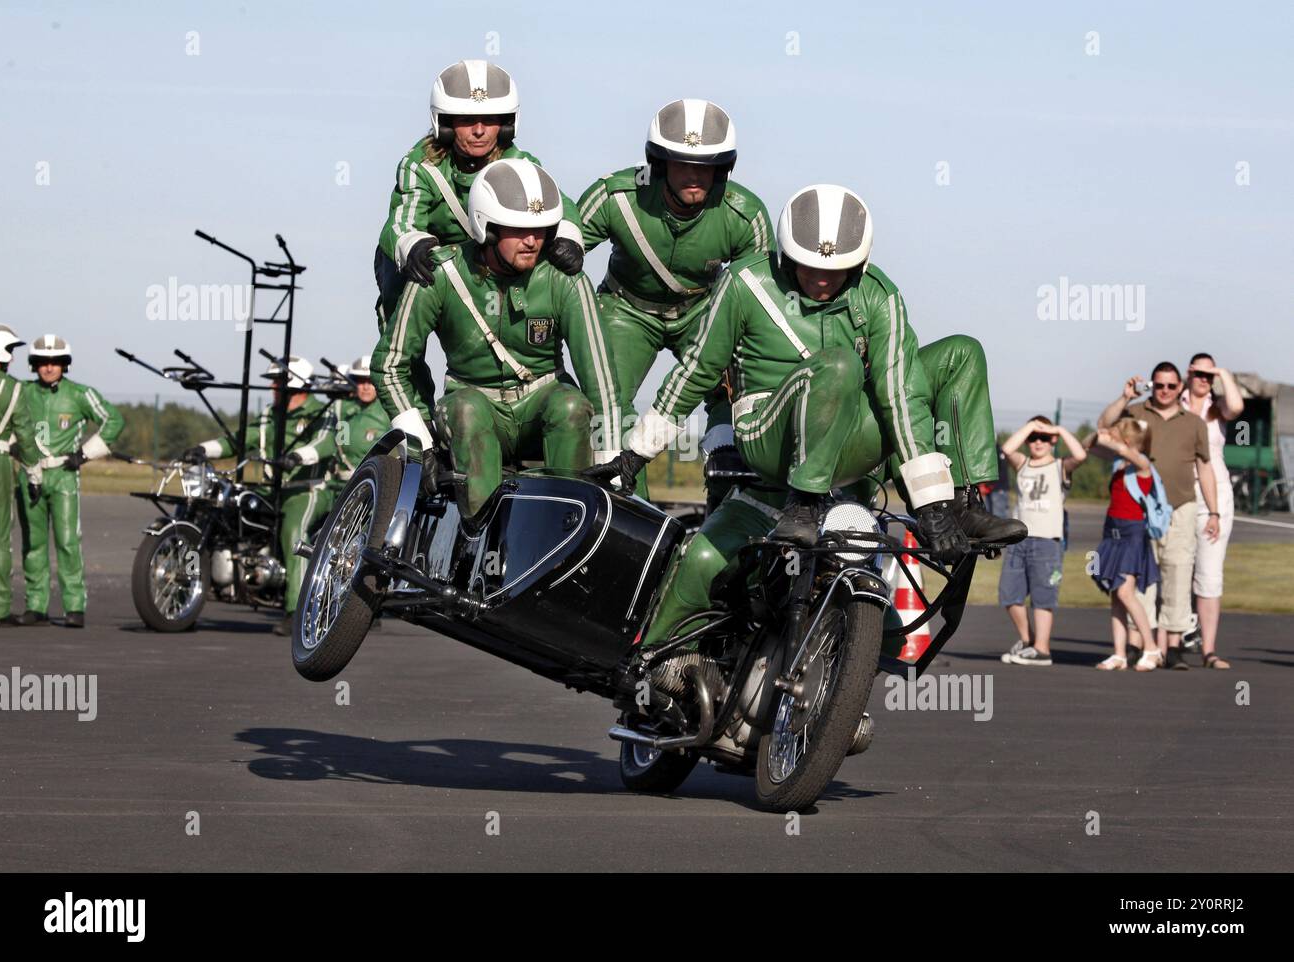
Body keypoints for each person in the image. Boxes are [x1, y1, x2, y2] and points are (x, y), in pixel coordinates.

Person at [587, 184, 1026, 692]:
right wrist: (634, 454)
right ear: (783, 253)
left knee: (961, 353)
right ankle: (659, 653)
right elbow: (696, 371)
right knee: (706, 556)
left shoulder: (880, 297)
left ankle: (963, 502)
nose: (821, 278)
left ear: (859, 264)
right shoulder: (745, 284)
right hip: (767, 435)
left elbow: (901, 396)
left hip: (845, 442)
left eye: (835, 269)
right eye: (807, 265)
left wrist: (931, 503)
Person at [372, 158, 619, 523]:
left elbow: (600, 379)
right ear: (486, 226)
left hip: (543, 404)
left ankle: (563, 532)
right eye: (519, 229)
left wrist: (611, 459)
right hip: (473, 405)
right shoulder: (441, 274)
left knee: (570, 406)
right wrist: (420, 444)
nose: (533, 241)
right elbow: (389, 365)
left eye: (541, 229)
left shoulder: (565, 279)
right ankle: (482, 537)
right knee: (466, 411)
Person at [577, 99, 773, 499]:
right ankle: (627, 513)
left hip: (704, 310)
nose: (694, 176)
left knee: (742, 388)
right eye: (682, 163)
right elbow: (558, 247)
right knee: (604, 402)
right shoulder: (616, 195)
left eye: (706, 166)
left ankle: (730, 490)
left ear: (722, 169)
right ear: (659, 162)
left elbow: (761, 301)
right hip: (626, 308)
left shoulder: (746, 215)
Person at [374, 60, 586, 416]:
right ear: (443, 123)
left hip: (489, 261)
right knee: (405, 307)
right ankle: (420, 420)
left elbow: (560, 205)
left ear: (505, 124)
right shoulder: (419, 165)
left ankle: (541, 392)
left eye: (489, 120)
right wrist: (413, 243)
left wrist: (568, 236)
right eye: (466, 120)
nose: (478, 130)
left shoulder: (521, 161)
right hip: (432, 265)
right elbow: (402, 220)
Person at [184, 356, 335, 636]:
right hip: (269, 489)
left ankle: (297, 611)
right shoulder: (269, 415)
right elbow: (240, 439)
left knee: (294, 533)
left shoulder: (321, 412)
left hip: (306, 490)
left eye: (278, 382)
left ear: (297, 385)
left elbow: (326, 443)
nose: (273, 388)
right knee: (223, 508)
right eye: (273, 382)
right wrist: (203, 449)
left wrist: (295, 457)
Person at [1097, 365, 1219, 669]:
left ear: (1181, 387)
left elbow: (1204, 468)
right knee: (1143, 578)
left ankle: (1174, 645)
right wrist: (1124, 398)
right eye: (1159, 385)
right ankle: (1141, 641)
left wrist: (1213, 511)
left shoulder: (1194, 423)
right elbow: (1104, 425)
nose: (1164, 391)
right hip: (1140, 511)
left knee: (1177, 571)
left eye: (1170, 385)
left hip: (1180, 505)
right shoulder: (1137, 411)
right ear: (1153, 386)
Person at [14, 334, 125, 628]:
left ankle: (74, 606)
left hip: (64, 477)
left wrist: (85, 454)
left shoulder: (80, 393)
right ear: (33, 365)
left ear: (65, 365)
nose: (49, 368)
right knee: (32, 544)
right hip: (29, 474)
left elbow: (114, 420)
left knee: (67, 542)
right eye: (42, 363)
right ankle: (35, 606)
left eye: (55, 362)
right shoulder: (21, 391)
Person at [997, 416, 1087, 666]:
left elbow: (1080, 455)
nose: (1038, 442)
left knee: (1043, 596)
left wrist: (1057, 429)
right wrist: (1030, 427)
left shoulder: (1060, 466)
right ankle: (1028, 641)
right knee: (1009, 594)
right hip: (1019, 539)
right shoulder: (1023, 464)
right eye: (1033, 438)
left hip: (1048, 541)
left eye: (1044, 438)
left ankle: (1042, 649)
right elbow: (1006, 449)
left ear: (1053, 440)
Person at [1086, 420, 1163, 670]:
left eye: (1117, 434)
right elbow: (1088, 446)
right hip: (1112, 532)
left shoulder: (1142, 465)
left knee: (1125, 592)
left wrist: (1112, 438)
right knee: (1115, 595)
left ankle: (1151, 648)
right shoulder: (1119, 464)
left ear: (1127, 441)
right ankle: (1119, 653)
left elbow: (1123, 450)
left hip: (1133, 534)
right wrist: (1101, 433)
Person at [1182, 353, 1242, 669]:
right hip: (1178, 493)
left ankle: (1209, 649)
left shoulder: (1216, 408)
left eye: (1209, 375)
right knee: (1176, 567)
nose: (1203, 380)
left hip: (1214, 498)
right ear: (1188, 373)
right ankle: (1170, 641)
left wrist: (1221, 372)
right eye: (1199, 373)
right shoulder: (1174, 402)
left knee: (1209, 573)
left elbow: (1238, 407)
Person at [0, 325, 31, 628]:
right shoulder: (14, 388)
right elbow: (26, 438)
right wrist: (34, 470)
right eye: (10, 351)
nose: (12, 359)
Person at [314, 354, 391, 491]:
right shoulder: (341, 409)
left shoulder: (388, 411)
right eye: (361, 381)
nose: (366, 387)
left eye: (370, 381)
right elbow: (342, 441)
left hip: (372, 487)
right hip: (337, 486)